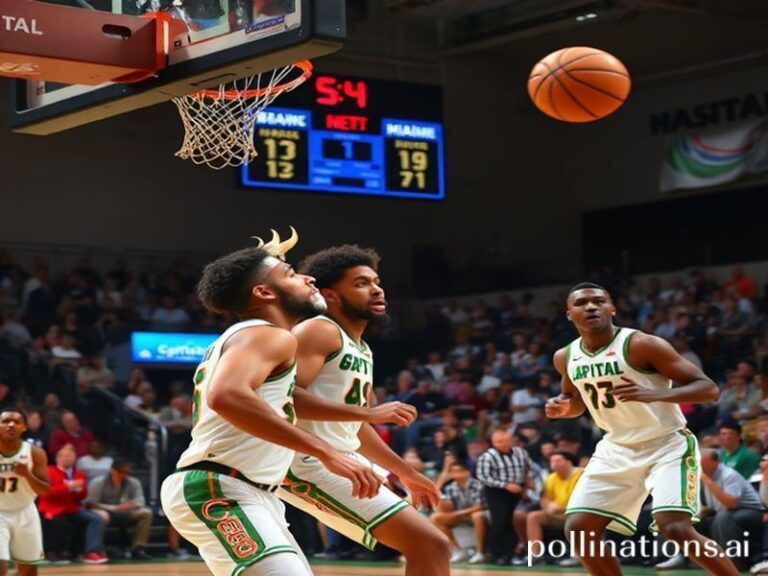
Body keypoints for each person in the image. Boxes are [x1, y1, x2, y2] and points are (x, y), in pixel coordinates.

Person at [160, 229, 384, 576]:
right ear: (264, 292)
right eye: (291, 274)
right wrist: (328, 452)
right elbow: (227, 396)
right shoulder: (266, 334)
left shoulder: (255, 337)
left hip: (252, 492)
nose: (308, 278)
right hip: (219, 486)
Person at [277, 244, 450, 576]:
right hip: (306, 460)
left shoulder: (362, 348)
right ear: (330, 295)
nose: (376, 288)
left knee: (429, 544)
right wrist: (369, 413)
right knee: (429, 543)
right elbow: (284, 397)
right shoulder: (320, 329)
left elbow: (355, 429)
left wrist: (406, 472)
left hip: (340, 457)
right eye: (360, 283)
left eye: (376, 280)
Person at [546, 282, 739, 576]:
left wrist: (657, 393)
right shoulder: (566, 356)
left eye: (599, 301)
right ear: (569, 314)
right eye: (582, 303)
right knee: (579, 529)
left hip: (667, 445)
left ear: (612, 308)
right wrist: (564, 408)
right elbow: (575, 401)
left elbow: (709, 389)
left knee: (675, 528)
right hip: (616, 447)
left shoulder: (641, 344)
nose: (591, 307)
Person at [656, 449, 764, 570]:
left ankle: (733, 561)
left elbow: (730, 503)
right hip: (724, 511)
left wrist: (707, 480)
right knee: (690, 519)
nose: (697, 464)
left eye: (701, 462)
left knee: (723, 517)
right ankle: (685, 558)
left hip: (752, 512)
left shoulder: (729, 475)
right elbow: (711, 505)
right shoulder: (702, 475)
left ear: (715, 462)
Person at [0, 408, 50, 576]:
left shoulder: (35, 453)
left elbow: (44, 490)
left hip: (25, 510)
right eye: (5, 421)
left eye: (16, 422)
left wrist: (27, 475)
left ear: (24, 427)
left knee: (29, 570)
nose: (11, 425)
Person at [37, 444, 107, 564]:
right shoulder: (49, 471)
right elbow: (46, 493)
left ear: (75, 458)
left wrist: (80, 489)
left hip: (71, 508)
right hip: (51, 508)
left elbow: (82, 496)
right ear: (57, 458)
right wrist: (68, 486)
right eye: (64, 456)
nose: (66, 458)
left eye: (69, 456)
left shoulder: (79, 474)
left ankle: (90, 552)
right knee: (59, 522)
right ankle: (53, 553)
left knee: (95, 519)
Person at [475, 426, 534, 565]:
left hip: (519, 489)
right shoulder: (487, 456)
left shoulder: (521, 452)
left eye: (506, 440)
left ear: (511, 439)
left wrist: (528, 481)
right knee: (501, 521)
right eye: (499, 442)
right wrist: (505, 485)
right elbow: (483, 477)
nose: (504, 444)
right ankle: (498, 554)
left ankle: (514, 553)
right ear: (493, 443)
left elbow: (529, 467)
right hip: (497, 492)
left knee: (515, 521)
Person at [87, 459, 153, 560]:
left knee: (146, 513)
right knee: (102, 516)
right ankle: (99, 550)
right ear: (113, 471)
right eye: (123, 473)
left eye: (128, 473)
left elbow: (141, 501)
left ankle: (138, 549)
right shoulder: (98, 482)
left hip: (126, 511)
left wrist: (131, 505)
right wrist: (115, 508)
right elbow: (92, 503)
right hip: (106, 511)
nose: (125, 475)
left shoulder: (133, 482)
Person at [431, 458, 487, 564]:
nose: (456, 474)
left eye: (459, 471)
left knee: (477, 515)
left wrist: (456, 513)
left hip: (479, 513)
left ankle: (480, 553)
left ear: (467, 472)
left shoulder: (477, 484)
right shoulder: (450, 487)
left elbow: (480, 506)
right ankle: (458, 550)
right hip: (462, 515)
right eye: (453, 472)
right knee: (436, 517)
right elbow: (445, 505)